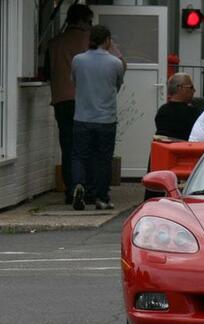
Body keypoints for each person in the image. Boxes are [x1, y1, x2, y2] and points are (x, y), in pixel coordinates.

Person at [70, 25, 125, 211]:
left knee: (79, 155)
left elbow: (75, 82)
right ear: (107, 40)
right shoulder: (115, 63)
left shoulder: (78, 60)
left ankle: (78, 185)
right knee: (103, 159)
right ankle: (102, 198)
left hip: (82, 117)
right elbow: (117, 86)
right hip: (106, 119)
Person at [46, 4, 93, 204]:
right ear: (83, 21)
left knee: (68, 145)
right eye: (89, 21)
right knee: (88, 145)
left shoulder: (55, 43)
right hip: (86, 100)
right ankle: (87, 188)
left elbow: (47, 71)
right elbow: (119, 62)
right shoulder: (91, 40)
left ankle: (71, 188)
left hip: (62, 100)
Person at [154, 73, 201, 140]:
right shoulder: (192, 112)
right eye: (191, 87)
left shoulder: (162, 110)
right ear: (180, 88)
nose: (194, 90)